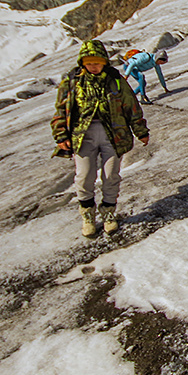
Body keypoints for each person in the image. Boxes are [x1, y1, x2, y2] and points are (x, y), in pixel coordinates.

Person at [52, 40, 149, 237]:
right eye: (89, 63)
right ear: (83, 63)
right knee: (84, 176)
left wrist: (141, 131)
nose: (93, 66)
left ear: (104, 62)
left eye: (97, 62)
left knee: (111, 176)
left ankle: (108, 214)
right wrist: (61, 134)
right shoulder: (72, 82)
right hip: (82, 136)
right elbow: (61, 109)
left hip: (114, 135)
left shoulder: (116, 81)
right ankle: (88, 216)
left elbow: (131, 106)